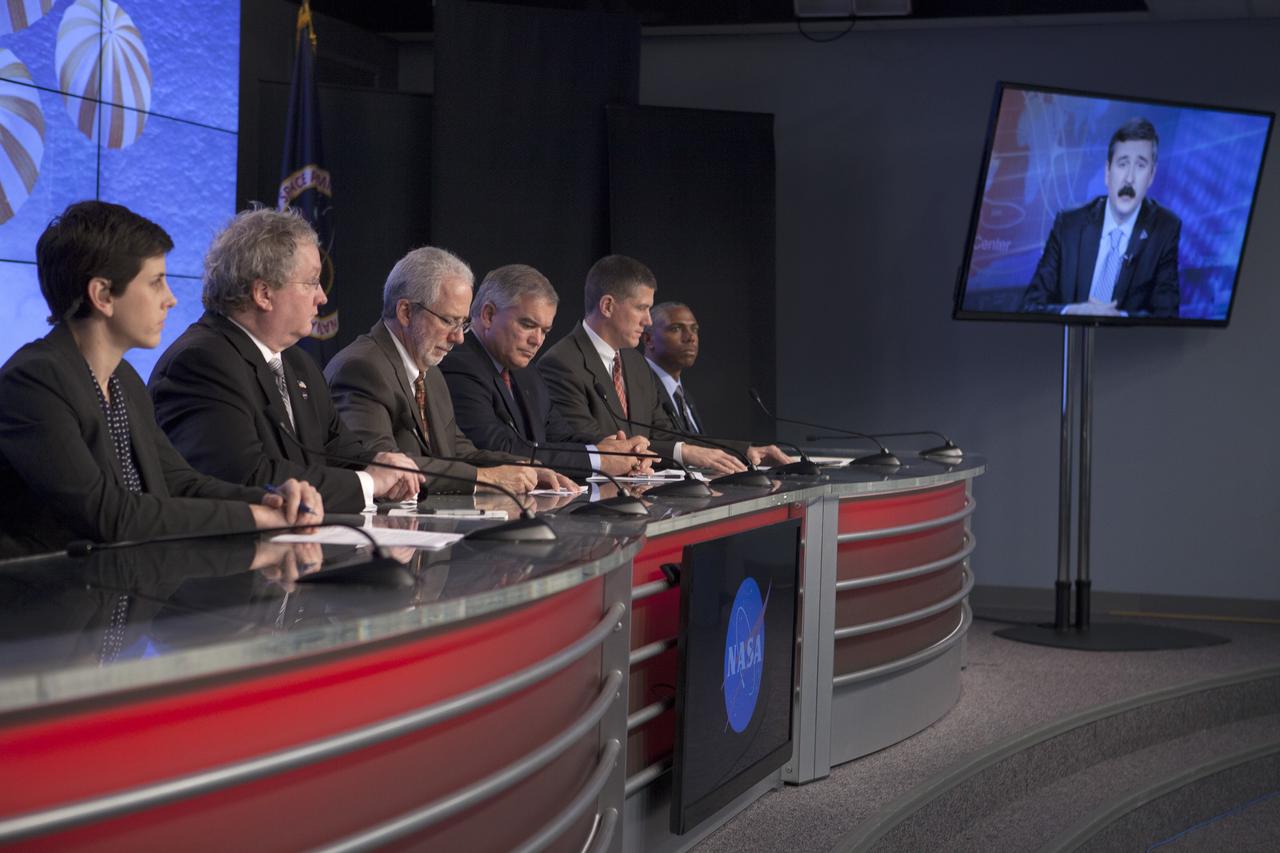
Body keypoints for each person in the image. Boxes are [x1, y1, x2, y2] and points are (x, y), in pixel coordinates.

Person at [0, 201, 323, 557]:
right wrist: (256, 517)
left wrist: (272, 498)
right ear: (103, 295)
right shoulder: (34, 381)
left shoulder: (123, 378)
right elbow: (111, 517)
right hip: (43, 603)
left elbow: (178, 483)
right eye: (155, 283)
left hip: (118, 593)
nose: (170, 299)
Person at [149, 207, 422, 513]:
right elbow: (246, 478)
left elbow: (337, 449)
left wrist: (379, 463)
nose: (322, 297)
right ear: (264, 294)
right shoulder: (201, 363)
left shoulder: (298, 364)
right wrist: (369, 484)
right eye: (311, 282)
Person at [324, 248, 575, 495]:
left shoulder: (430, 373)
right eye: (448, 320)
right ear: (406, 312)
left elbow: (459, 452)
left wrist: (523, 468)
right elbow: (382, 465)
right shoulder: (362, 369)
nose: (458, 337)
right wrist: (485, 478)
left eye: (462, 323)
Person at [538, 255, 778, 474]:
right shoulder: (561, 364)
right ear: (608, 306)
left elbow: (666, 434)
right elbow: (592, 446)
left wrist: (742, 451)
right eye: (641, 308)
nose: (648, 320)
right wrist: (683, 452)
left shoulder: (635, 363)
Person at [439, 264, 653, 479]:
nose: (537, 340)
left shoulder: (527, 372)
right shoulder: (458, 364)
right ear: (489, 315)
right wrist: (600, 460)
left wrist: (613, 449)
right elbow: (498, 448)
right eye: (528, 325)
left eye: (545, 331)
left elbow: (560, 436)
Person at [1021, 117, 1181, 318]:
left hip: (1127, 347)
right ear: (1107, 171)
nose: (1129, 178)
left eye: (1140, 166)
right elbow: (1031, 305)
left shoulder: (1165, 229)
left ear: (1151, 176)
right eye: (1122, 164)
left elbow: (1166, 315)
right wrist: (1075, 311)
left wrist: (1119, 319)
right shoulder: (1069, 225)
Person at [642, 301, 790, 465]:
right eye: (676, 328)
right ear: (648, 339)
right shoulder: (640, 386)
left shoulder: (682, 395)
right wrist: (742, 451)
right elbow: (665, 441)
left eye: (694, 329)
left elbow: (697, 445)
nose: (690, 337)